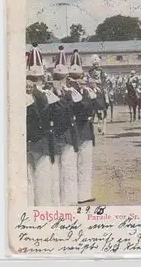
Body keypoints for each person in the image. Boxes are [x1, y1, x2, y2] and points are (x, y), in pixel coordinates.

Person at [26, 43, 61, 206]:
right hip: (40, 141)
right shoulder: (41, 95)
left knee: (35, 179)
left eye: (33, 79)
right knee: (41, 178)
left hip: (38, 140)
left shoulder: (44, 94)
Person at [51, 45, 83, 205]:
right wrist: (59, 95)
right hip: (57, 135)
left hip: (69, 136)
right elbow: (58, 112)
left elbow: (80, 107)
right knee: (56, 172)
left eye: (63, 78)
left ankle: (70, 201)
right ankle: (58, 202)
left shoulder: (70, 93)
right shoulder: (49, 94)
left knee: (69, 170)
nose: (60, 81)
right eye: (57, 78)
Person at [67, 49, 99, 204]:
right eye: (75, 77)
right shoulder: (71, 91)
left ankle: (83, 194)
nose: (78, 80)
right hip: (77, 130)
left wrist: (94, 91)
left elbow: (99, 105)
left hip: (84, 130)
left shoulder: (83, 89)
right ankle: (76, 195)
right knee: (76, 165)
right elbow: (83, 108)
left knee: (84, 164)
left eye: (78, 77)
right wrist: (88, 94)